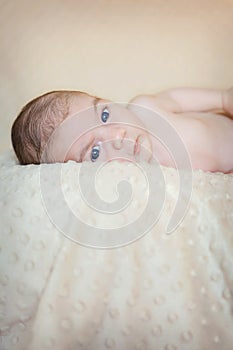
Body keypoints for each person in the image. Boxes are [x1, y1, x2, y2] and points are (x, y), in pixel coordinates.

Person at [11, 87, 233, 173]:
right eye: (95, 151)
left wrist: (223, 99)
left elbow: (179, 99)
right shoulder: (156, 177)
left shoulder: (147, 107)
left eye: (105, 115)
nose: (118, 136)